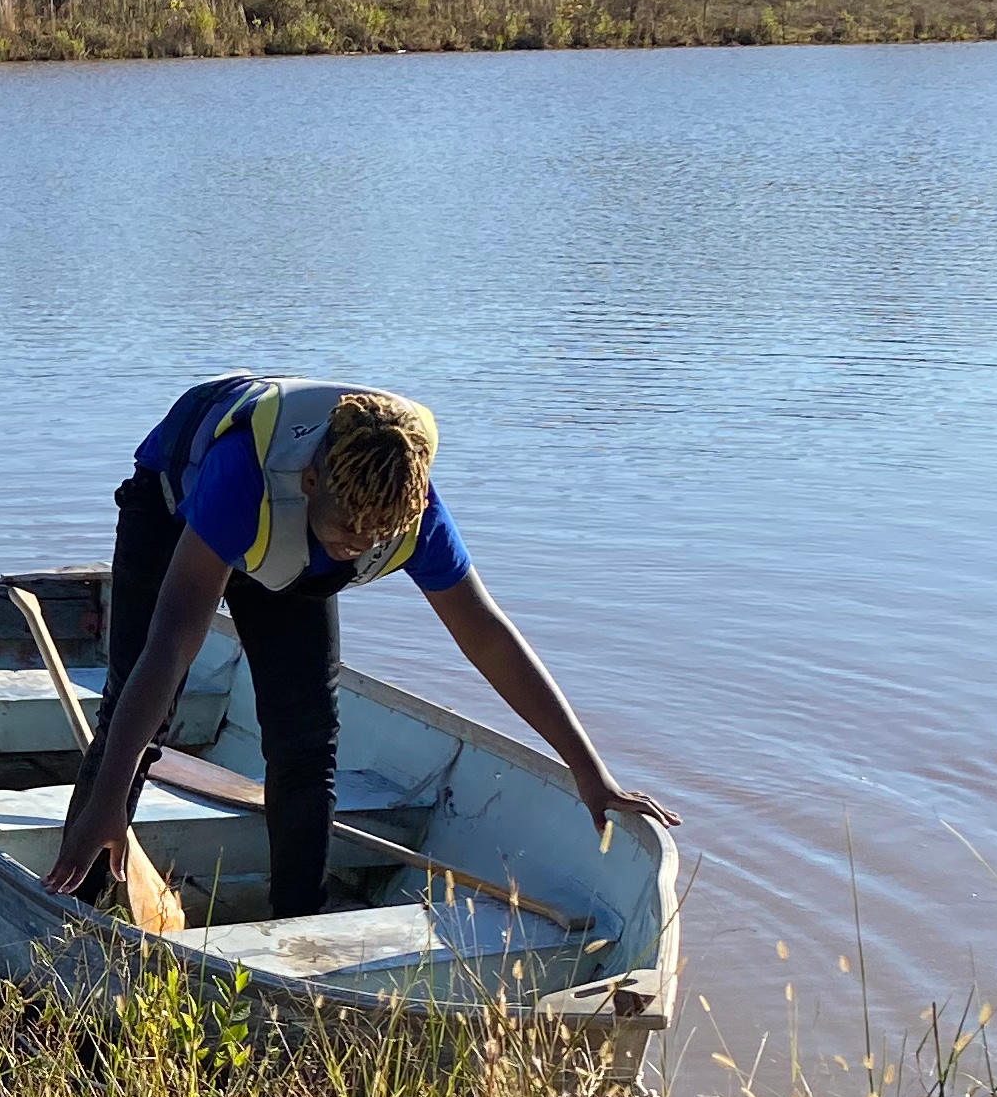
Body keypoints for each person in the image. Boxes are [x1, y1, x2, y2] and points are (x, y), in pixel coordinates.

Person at [41, 374, 675, 915]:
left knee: (308, 739)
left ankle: (296, 926)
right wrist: (107, 804)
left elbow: (489, 640)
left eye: (378, 535)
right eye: (351, 528)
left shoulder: (406, 510)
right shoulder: (243, 477)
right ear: (312, 478)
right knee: (140, 697)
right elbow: (173, 643)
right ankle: (80, 891)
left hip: (287, 542)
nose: (359, 545)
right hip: (174, 508)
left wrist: (591, 774)